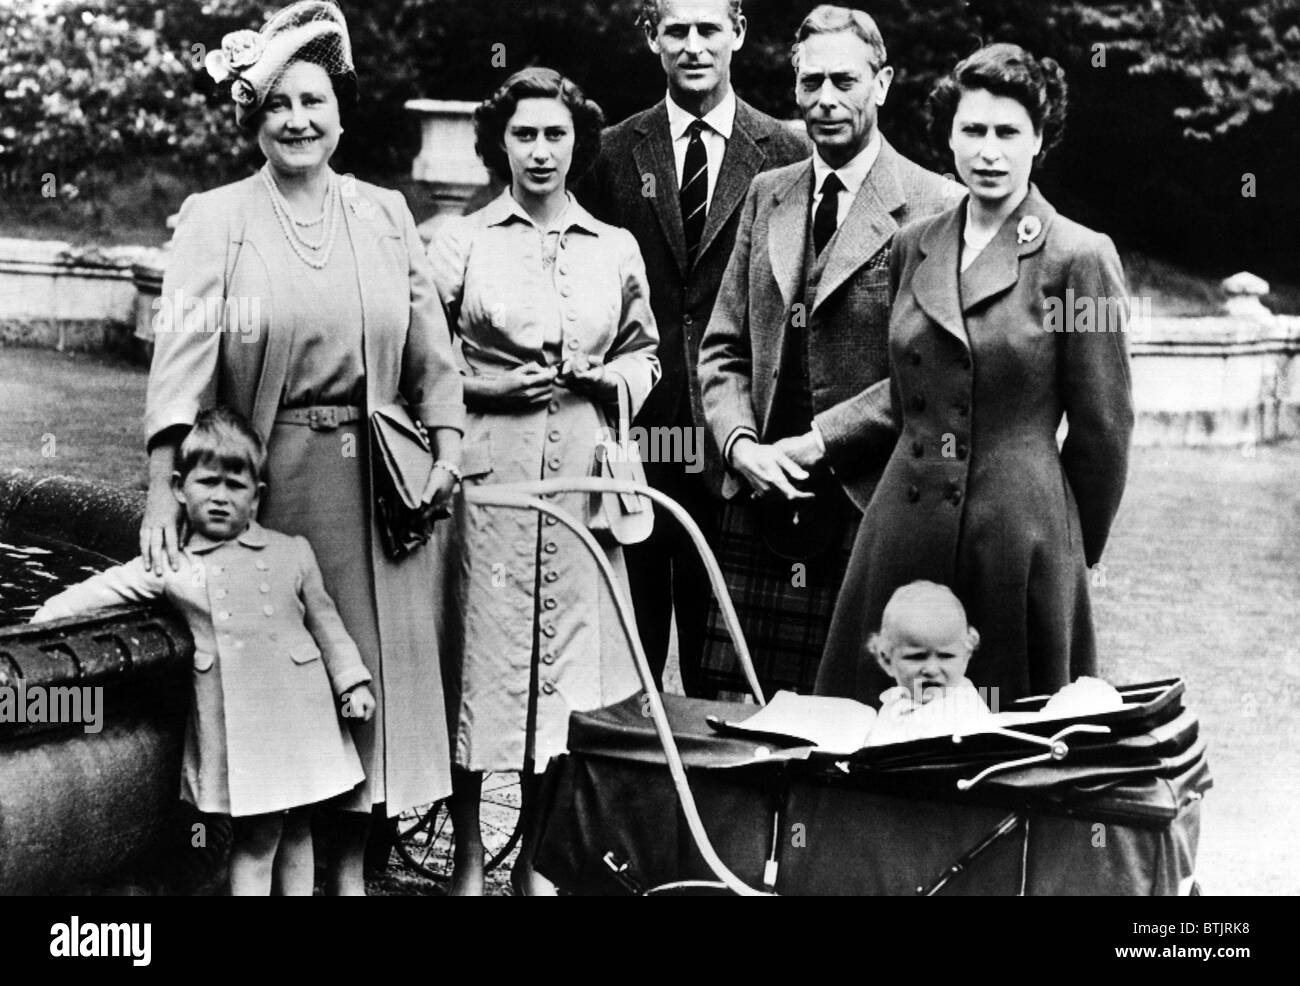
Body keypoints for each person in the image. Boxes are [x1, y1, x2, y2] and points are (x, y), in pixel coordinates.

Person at [141, 1, 464, 895]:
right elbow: (180, 361)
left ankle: (350, 878)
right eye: (277, 103)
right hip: (272, 488)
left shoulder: (386, 213)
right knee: (289, 691)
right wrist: (164, 484)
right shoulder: (217, 217)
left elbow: (433, 357)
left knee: (369, 686)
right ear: (254, 119)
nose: (297, 120)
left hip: (385, 492)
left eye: (313, 100)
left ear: (340, 112)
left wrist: (445, 457)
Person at [815, 44, 1134, 706]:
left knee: (1006, 737)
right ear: (949, 138)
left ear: (1039, 139)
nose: (989, 152)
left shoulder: (1079, 256)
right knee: (882, 728)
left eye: (1008, 132)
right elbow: (905, 396)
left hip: (1018, 540)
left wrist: (1067, 546)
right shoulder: (913, 244)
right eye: (973, 130)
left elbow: (1104, 430)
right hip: (903, 531)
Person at [428, 67, 661, 896]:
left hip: (579, 492)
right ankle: (467, 859)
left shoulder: (614, 246)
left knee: (559, 687)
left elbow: (646, 353)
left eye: (554, 134)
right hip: (487, 488)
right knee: (479, 672)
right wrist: (485, 387)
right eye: (523, 134)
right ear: (500, 144)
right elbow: (420, 363)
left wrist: (610, 381)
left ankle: (532, 863)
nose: (539, 150)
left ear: (577, 143)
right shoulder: (460, 240)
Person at [698, 5, 959, 696]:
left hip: (869, 507)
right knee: (742, 717)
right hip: (760, 501)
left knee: (852, 717)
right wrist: (740, 446)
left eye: (845, 81)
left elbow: (929, 374)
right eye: (811, 83)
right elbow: (722, 348)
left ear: (883, 84)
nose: (826, 100)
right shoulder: (768, 195)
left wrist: (820, 442)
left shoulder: (936, 206)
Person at [33, 408, 377, 895]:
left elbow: (326, 621)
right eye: (208, 482)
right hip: (242, 727)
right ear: (179, 488)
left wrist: (352, 681)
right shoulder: (174, 565)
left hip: (303, 714)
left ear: (257, 496)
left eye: (235, 485)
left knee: (300, 829)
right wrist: (39, 621)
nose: (220, 496)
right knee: (257, 839)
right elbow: (102, 590)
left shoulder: (292, 551)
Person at [577, 0, 810, 697]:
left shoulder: (788, 152)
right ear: (652, 37)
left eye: (709, 29)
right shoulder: (611, 152)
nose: (694, 45)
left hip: (740, 443)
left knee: (731, 671)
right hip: (636, 443)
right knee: (627, 663)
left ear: (738, 31)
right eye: (676, 30)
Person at [863, 580, 992, 746]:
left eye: (946, 656)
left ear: (965, 657)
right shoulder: (893, 705)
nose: (931, 670)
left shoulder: (967, 707)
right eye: (917, 657)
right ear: (887, 660)